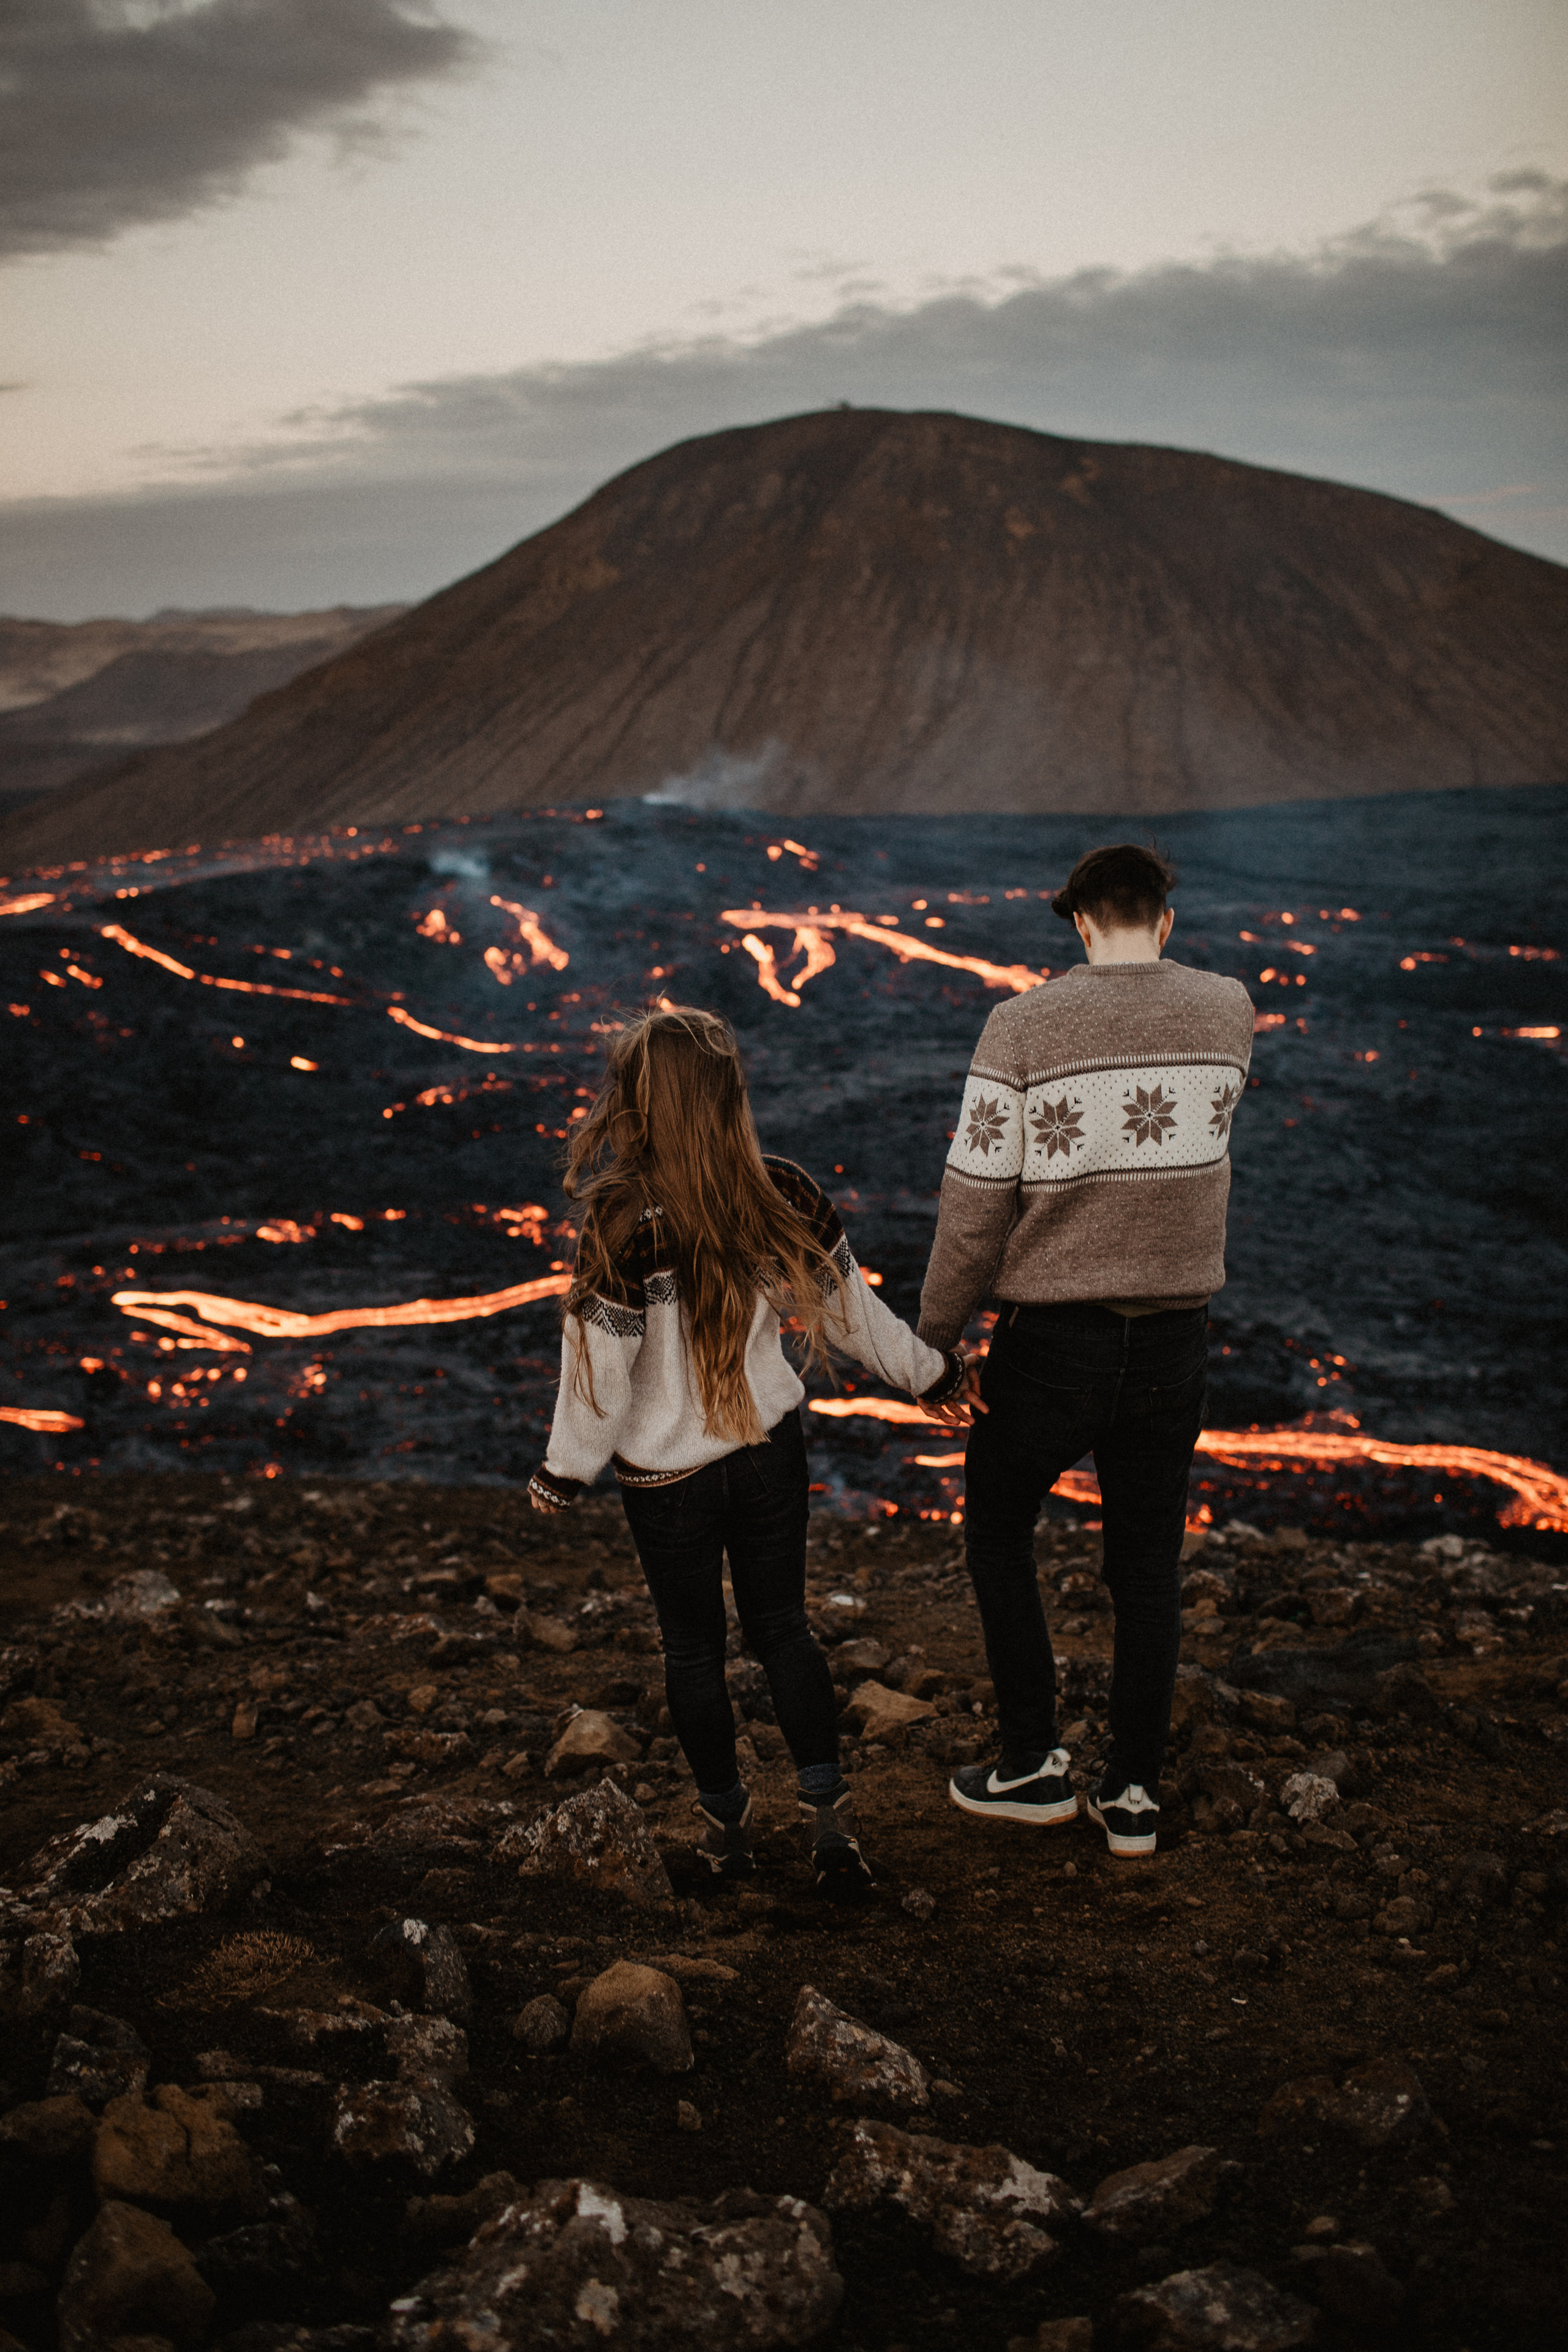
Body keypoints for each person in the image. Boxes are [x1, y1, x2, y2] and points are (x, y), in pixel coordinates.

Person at [529, 1006, 968, 1896]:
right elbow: (853, 1318)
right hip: (769, 1449)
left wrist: (564, 1471)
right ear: (729, 1099)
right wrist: (932, 1377)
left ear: (641, 1106)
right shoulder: (783, 1192)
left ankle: (727, 1837)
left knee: (692, 1651)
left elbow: (600, 1375)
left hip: (667, 1479)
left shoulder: (619, 1221)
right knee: (784, 1633)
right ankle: (830, 1831)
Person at [916, 843, 1253, 1856]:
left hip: (1050, 1347)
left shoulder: (1021, 1026)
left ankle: (1029, 1763)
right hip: (1174, 1347)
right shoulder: (1228, 1008)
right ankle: (1135, 1796)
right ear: (1165, 918)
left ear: (1075, 922)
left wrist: (933, 1342)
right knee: (1147, 1568)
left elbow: (974, 1209)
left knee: (998, 1529)